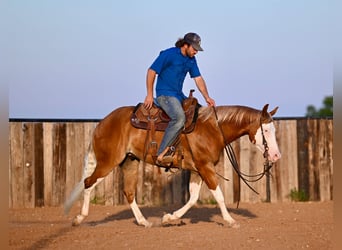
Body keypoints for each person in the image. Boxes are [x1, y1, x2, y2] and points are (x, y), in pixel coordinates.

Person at [143, 32, 216, 165]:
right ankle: (161, 154)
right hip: (164, 94)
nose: (196, 52)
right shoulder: (169, 54)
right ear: (185, 45)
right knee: (179, 118)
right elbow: (151, 71)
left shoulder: (191, 60)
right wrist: (149, 95)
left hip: (178, 95)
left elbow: (198, 79)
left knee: (197, 114)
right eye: (194, 49)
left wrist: (207, 97)